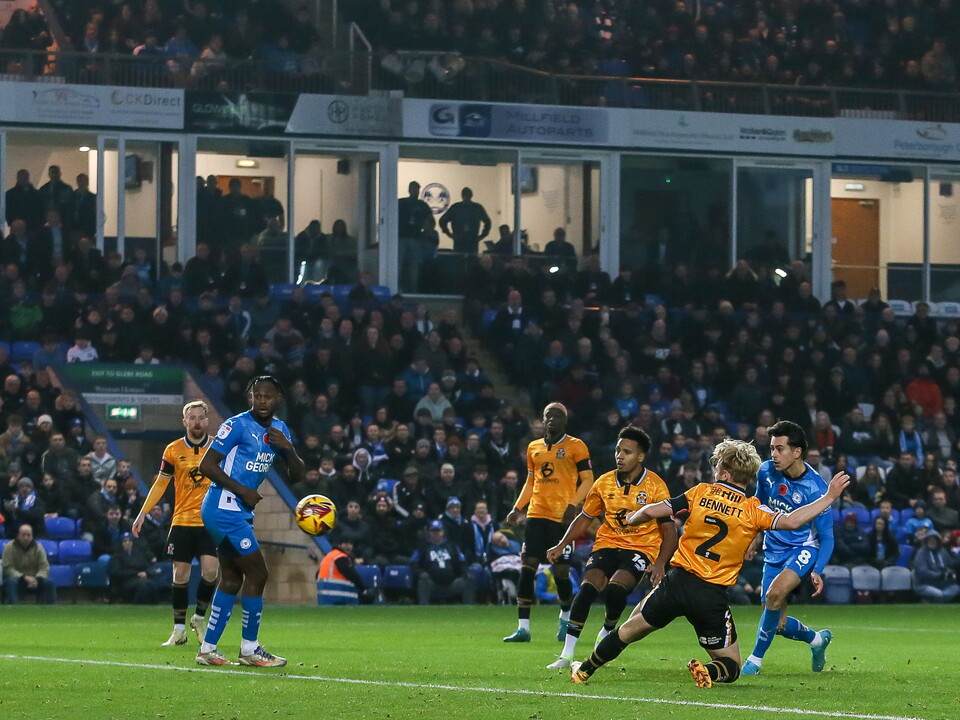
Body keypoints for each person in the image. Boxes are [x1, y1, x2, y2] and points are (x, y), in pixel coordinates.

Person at [569, 439, 849, 688]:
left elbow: (653, 511)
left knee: (628, 631)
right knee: (732, 666)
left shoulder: (699, 492)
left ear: (724, 472)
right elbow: (792, 521)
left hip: (676, 583)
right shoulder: (754, 509)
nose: (714, 470)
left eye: (716, 466)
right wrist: (829, 496)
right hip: (711, 595)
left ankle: (584, 670)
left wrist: (633, 517)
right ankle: (709, 671)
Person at [545, 425, 678, 669]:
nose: (620, 456)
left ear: (640, 457)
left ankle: (607, 629)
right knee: (586, 590)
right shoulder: (604, 483)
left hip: (641, 546)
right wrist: (562, 543)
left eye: (627, 452)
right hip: (608, 542)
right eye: (618, 450)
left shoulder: (656, 486)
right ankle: (566, 654)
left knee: (617, 590)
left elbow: (669, 530)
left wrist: (660, 563)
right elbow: (585, 517)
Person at [195, 376, 305, 667]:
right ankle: (250, 649)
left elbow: (298, 475)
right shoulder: (236, 425)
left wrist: (289, 449)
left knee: (232, 578)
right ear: (250, 398)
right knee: (258, 574)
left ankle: (207, 649)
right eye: (256, 396)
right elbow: (206, 465)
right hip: (223, 507)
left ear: (277, 397)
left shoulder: (280, 430)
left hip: (237, 510)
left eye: (267, 396)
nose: (262, 401)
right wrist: (242, 490)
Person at [741, 421, 836, 676]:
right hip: (773, 550)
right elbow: (758, 506)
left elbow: (827, 537)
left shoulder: (816, 488)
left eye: (780, 449)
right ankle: (817, 640)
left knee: (774, 594)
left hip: (803, 549)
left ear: (797, 452)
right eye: (771, 448)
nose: (773, 454)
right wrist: (754, 538)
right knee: (776, 622)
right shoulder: (766, 472)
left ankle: (754, 661)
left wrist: (818, 570)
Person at [503, 402, 594, 643]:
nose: (552, 419)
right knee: (527, 567)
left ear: (565, 420)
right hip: (536, 515)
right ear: (543, 421)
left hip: (562, 519)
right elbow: (531, 482)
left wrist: (573, 504)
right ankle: (523, 628)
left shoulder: (576, 446)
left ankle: (565, 619)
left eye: (557, 415)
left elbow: (588, 480)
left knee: (561, 572)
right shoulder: (533, 448)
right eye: (548, 416)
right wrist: (517, 508)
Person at [133, 401, 220, 648]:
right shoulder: (173, 450)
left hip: (209, 520)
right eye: (191, 417)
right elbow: (161, 483)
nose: (196, 422)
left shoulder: (217, 447)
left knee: (211, 571)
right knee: (180, 574)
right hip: (182, 520)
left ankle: (199, 618)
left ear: (207, 420)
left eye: (201, 417)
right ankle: (179, 630)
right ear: (184, 422)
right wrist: (142, 512)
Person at [2, 523, 56, 604]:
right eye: (23, 535)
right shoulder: (9, 547)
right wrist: (24, 577)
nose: (26, 537)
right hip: (18, 579)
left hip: (36, 579)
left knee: (50, 582)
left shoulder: (39, 547)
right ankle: (14, 610)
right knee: (11, 582)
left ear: (32, 536)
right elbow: (8, 568)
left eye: (28, 535)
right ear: (18, 535)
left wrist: (37, 578)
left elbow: (44, 567)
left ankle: (51, 611)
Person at [398, 181, 433, 292]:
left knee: (414, 266)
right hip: (402, 237)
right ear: (409, 190)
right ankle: (397, 288)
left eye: (417, 189)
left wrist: (425, 232)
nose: (415, 191)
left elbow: (430, 220)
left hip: (416, 238)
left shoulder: (422, 205)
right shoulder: (401, 203)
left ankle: (414, 290)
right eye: (413, 189)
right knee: (399, 264)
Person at [439, 187, 491, 255]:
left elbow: (442, 221)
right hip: (466, 240)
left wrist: (449, 234)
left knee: (466, 261)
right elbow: (442, 221)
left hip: (467, 240)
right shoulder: (476, 208)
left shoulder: (456, 208)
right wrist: (449, 233)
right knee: (465, 261)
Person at [317, 538, 367, 605]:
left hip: (325, 597)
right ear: (339, 545)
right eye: (346, 544)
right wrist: (363, 588)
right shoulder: (340, 557)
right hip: (339, 596)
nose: (349, 547)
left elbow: (317, 575)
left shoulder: (329, 556)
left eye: (350, 544)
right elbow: (351, 574)